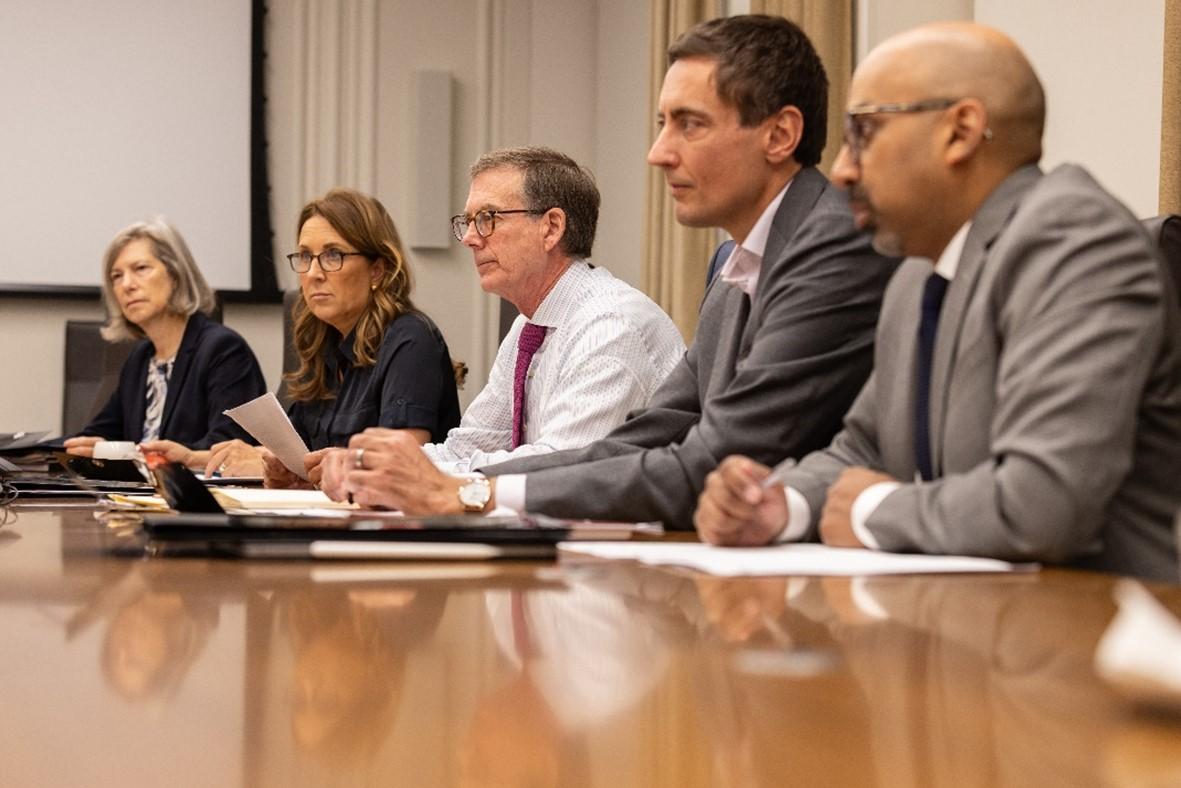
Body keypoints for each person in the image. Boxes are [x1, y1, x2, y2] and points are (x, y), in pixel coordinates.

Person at [318, 16, 898, 523]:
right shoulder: (734, 261)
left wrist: (471, 494)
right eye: (661, 122)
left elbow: (715, 458)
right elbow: (645, 436)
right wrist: (461, 486)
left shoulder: (832, 244)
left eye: (689, 124)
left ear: (780, 135)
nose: (658, 151)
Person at [695, 22, 1181, 580]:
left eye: (865, 131)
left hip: (1096, 637)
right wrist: (781, 504)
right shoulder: (916, 275)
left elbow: (1042, 505)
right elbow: (862, 449)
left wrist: (877, 510)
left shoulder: (1075, 242)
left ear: (961, 131)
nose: (844, 169)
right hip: (971, 627)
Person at [317, 146, 684, 487]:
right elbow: (470, 445)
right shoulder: (530, 325)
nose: (470, 239)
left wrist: (411, 476)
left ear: (551, 227)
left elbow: (561, 467)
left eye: (488, 218)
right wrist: (359, 465)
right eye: (469, 221)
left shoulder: (610, 326)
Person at [204, 188, 462, 483]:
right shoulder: (323, 345)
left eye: (332, 255)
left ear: (377, 270)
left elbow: (399, 471)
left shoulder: (411, 339)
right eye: (305, 256)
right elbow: (305, 466)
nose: (313, 273)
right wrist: (277, 470)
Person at [64, 218, 266, 467]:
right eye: (117, 276)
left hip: (202, 499)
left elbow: (230, 446)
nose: (126, 285)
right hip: (142, 498)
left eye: (140, 269)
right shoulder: (140, 359)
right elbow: (101, 433)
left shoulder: (223, 350)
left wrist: (160, 456)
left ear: (175, 274)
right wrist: (84, 448)